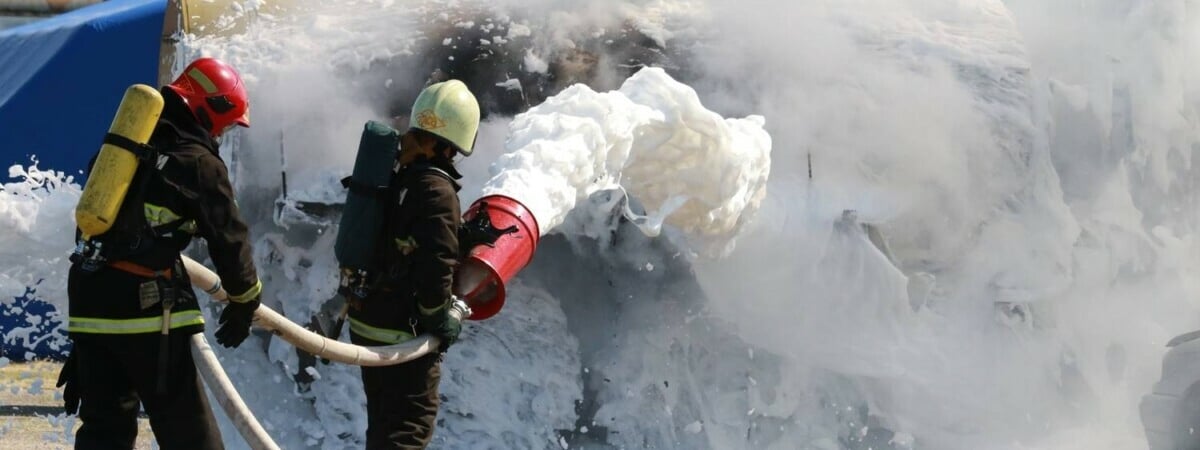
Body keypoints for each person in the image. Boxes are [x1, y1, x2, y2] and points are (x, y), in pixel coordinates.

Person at [57, 57, 263, 450]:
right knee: (192, 437)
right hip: (147, 313)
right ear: (209, 107)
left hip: (90, 304)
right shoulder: (199, 162)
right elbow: (230, 238)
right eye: (223, 123)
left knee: (104, 435)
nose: (220, 133)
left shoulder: (127, 144)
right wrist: (245, 301)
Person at [347, 79, 480, 449]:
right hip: (400, 334)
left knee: (385, 428)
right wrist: (443, 320)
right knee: (408, 432)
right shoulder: (437, 190)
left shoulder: (400, 174)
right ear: (454, 142)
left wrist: (463, 235)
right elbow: (435, 264)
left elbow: (405, 238)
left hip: (368, 318)